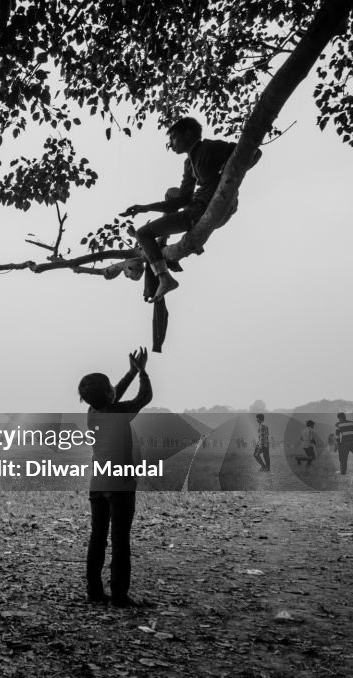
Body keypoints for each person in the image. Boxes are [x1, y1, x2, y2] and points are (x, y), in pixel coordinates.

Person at [120, 117, 262, 301]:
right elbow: (179, 201)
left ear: (187, 134)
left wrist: (231, 176)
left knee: (142, 234)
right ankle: (161, 249)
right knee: (171, 192)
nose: (170, 144)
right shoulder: (189, 164)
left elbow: (255, 152)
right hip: (198, 206)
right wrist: (145, 208)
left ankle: (165, 279)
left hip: (205, 209)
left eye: (172, 138)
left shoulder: (210, 147)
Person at [78, 347, 152, 607]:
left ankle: (95, 591)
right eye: (110, 387)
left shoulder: (94, 412)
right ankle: (120, 595)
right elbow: (145, 397)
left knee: (97, 537)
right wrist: (141, 372)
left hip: (97, 484)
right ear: (108, 393)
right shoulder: (118, 413)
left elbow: (112, 396)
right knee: (121, 540)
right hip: (119, 484)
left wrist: (131, 372)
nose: (113, 389)